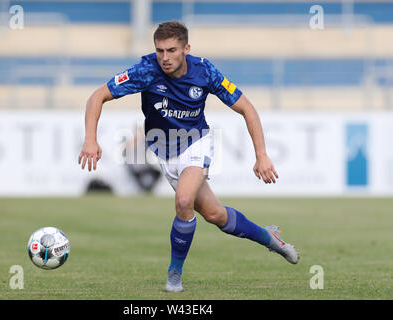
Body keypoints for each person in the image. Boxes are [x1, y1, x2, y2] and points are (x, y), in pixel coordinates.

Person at [78, 20, 299, 292]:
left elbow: (247, 108)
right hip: (164, 150)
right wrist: (90, 139)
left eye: (171, 50)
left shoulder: (205, 71)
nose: (165, 58)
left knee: (183, 201)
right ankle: (271, 238)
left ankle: (174, 276)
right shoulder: (145, 71)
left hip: (196, 144)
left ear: (186, 49)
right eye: (160, 50)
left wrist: (262, 155)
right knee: (216, 216)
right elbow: (97, 97)